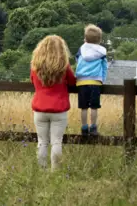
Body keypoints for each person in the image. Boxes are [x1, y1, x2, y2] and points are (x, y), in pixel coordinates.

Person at [30, 35, 77, 170]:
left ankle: (42, 170)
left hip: (40, 109)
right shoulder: (64, 66)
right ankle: (55, 171)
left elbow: (32, 81)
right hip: (58, 109)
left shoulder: (35, 66)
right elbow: (73, 81)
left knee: (42, 142)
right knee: (56, 142)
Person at [74, 24, 108, 136]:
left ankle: (84, 128)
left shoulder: (81, 50)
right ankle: (93, 128)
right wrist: (102, 79)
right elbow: (104, 67)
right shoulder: (101, 52)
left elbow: (77, 61)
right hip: (95, 81)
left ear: (85, 39)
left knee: (84, 107)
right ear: (99, 40)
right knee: (94, 106)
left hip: (82, 81)